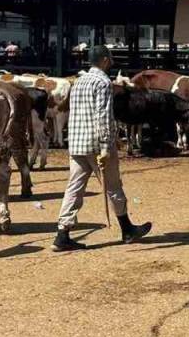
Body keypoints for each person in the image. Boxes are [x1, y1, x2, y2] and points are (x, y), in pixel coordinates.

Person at [54, 45, 151, 251]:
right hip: (97, 144)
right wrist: (107, 146)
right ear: (105, 60)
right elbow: (103, 115)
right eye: (111, 58)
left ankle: (62, 233)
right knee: (113, 186)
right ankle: (127, 229)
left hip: (77, 142)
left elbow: (74, 112)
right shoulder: (103, 82)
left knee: (74, 186)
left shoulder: (78, 81)